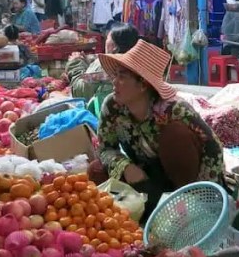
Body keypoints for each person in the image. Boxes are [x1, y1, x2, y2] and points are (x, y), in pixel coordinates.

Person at [96, 40, 224, 219]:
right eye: (115, 75)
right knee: (96, 171)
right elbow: (104, 148)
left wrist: (207, 195)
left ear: (142, 85)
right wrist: (124, 166)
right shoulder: (112, 107)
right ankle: (145, 210)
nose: (115, 82)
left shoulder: (174, 109)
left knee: (175, 135)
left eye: (122, 76)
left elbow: (213, 147)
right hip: (146, 176)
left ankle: (186, 209)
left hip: (182, 178)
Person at [66, 23, 139, 103]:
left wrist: (75, 63)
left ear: (114, 46)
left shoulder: (104, 65)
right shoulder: (137, 63)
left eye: (107, 38)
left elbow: (80, 90)